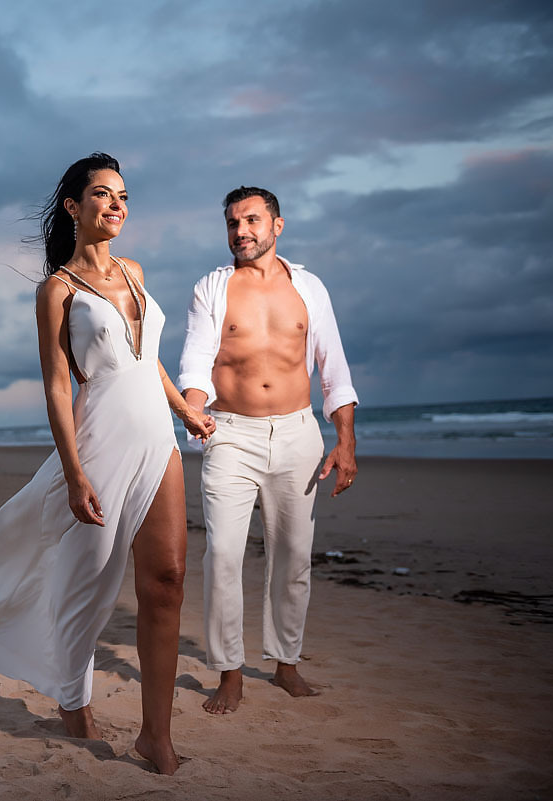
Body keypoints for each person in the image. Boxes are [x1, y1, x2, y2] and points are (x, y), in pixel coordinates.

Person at [0, 153, 214, 774]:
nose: (116, 206)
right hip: (100, 444)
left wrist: (184, 411)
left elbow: (145, 354)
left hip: (158, 440)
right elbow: (57, 388)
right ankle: (73, 702)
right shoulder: (57, 290)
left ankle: (155, 737)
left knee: (168, 583)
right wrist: (75, 475)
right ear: (74, 207)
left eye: (124, 196)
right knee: (87, 588)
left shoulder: (132, 271)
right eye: (102, 195)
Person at [178, 186, 358, 715]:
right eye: (233, 223)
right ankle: (229, 673)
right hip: (230, 433)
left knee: (293, 557)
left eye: (252, 221)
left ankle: (285, 664)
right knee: (225, 556)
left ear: (278, 226)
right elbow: (196, 358)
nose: (242, 232)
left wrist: (345, 442)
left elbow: (333, 366)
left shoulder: (309, 288)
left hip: (299, 434)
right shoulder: (213, 287)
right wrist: (194, 409)